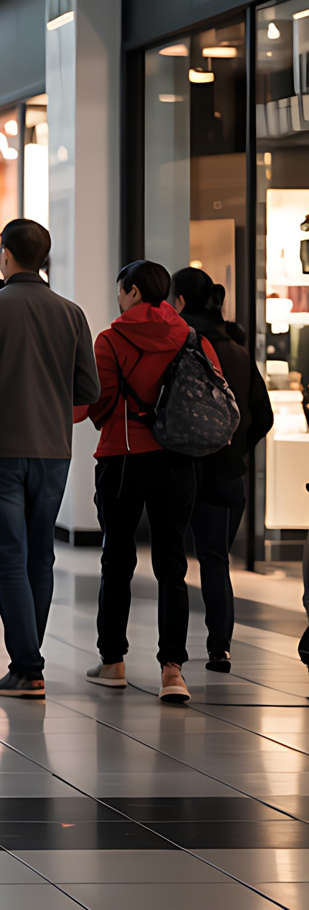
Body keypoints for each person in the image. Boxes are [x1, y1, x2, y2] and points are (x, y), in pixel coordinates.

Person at [0, 219, 99, 700]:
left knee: (9, 558)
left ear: (6, 255)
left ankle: (27, 666)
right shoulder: (72, 314)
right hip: (53, 451)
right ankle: (29, 661)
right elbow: (88, 389)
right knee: (41, 556)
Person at [82, 260, 221, 704]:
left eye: (121, 291)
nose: (118, 299)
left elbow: (97, 405)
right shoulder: (191, 337)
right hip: (177, 461)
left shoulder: (111, 338)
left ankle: (113, 662)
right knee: (172, 565)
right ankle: (173, 671)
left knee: (117, 561)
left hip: (122, 458)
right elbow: (211, 389)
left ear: (135, 292)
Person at [171, 268, 270, 674]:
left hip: (186, 468)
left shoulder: (181, 342)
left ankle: (171, 658)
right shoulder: (239, 348)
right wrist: (236, 449)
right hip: (230, 475)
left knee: (172, 563)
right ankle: (220, 647)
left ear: (179, 301)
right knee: (217, 560)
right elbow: (262, 415)